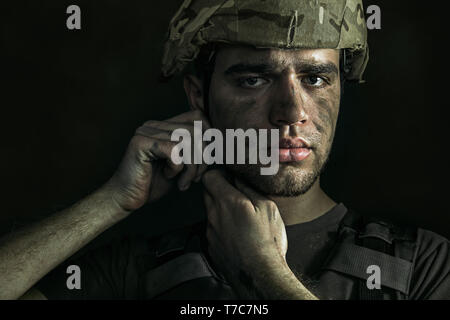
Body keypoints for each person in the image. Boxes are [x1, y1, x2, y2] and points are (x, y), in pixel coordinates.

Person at [0, 0, 448, 300]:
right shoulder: (138, 271)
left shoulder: (423, 264)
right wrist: (112, 201)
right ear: (198, 96)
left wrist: (265, 274)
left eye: (315, 79)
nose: (291, 112)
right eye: (253, 79)